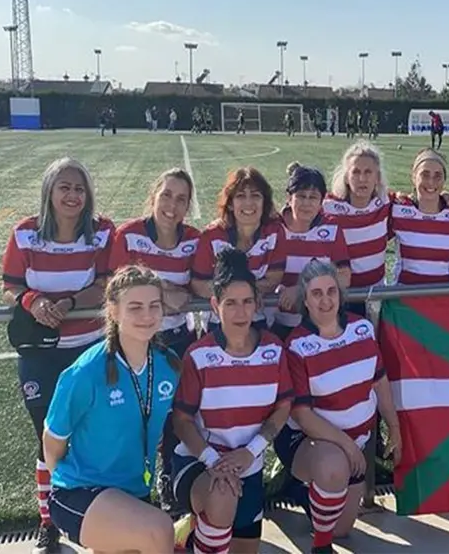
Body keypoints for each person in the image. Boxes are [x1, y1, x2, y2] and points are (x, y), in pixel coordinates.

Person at [1, 157, 114, 554]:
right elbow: (11, 284)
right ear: (49, 190)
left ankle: (92, 513)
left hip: (87, 350)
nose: (72, 195)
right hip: (40, 354)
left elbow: (106, 284)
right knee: (48, 438)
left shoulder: (101, 233)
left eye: (79, 188)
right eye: (64, 187)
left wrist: (66, 302)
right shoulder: (25, 233)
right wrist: (33, 302)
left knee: (89, 435)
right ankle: (47, 521)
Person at [44, 266, 180, 553]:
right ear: (113, 311)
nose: (147, 315)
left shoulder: (168, 365)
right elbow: (53, 442)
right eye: (135, 307)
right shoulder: (86, 372)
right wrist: (69, 488)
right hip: (79, 492)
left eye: (154, 306)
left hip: (134, 492)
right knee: (159, 531)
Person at [274, 260, 402, 554]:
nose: (326, 299)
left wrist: (394, 427)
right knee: (333, 467)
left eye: (331, 291)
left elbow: (380, 382)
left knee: (342, 528)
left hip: (354, 442)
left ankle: (305, 494)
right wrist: (347, 446)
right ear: (305, 300)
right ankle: (321, 548)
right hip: (310, 441)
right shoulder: (297, 345)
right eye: (316, 293)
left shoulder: (362, 329)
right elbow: (303, 416)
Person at [171, 248, 293, 554]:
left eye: (247, 302)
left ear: (258, 304)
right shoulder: (198, 355)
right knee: (222, 495)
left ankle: (192, 534)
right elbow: (182, 422)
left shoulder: (274, 350)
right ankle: (200, 527)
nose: (240, 312)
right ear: (215, 305)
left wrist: (251, 452)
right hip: (199, 463)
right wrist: (214, 462)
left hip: (247, 466)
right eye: (230, 303)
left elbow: (283, 407)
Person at [109, 168, 200, 513]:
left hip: (177, 339)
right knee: (133, 416)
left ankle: (169, 479)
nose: (172, 205)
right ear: (153, 197)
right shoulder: (129, 235)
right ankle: (131, 488)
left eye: (181, 199)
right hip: (135, 342)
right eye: (166, 195)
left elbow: (202, 283)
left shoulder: (193, 238)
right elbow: (117, 283)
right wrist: (163, 292)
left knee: (175, 415)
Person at [191, 167, 284, 333]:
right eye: (241, 196)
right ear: (230, 204)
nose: (249, 203)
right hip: (218, 323)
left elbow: (273, 279)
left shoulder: (275, 232)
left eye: (255, 195)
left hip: (258, 320)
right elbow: (198, 284)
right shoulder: (211, 236)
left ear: (265, 202)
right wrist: (241, 295)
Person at [273, 163, 351, 339]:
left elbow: (344, 277)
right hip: (276, 324)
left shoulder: (331, 228)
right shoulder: (273, 227)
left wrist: (302, 290)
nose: (307, 203)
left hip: (319, 324)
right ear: (289, 197)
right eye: (301, 196)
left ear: (321, 201)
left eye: (313, 197)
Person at [323, 141, 392, 313]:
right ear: (346, 177)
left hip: (376, 295)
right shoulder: (328, 207)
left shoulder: (386, 204)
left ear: (377, 177)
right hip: (342, 296)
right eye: (356, 172)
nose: (362, 178)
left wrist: (444, 196)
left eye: (368, 172)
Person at [390, 148, 449, 284]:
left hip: (442, 297)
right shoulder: (397, 209)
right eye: (425, 174)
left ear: (444, 180)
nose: (431, 182)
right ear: (413, 177)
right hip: (403, 298)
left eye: (438, 176)